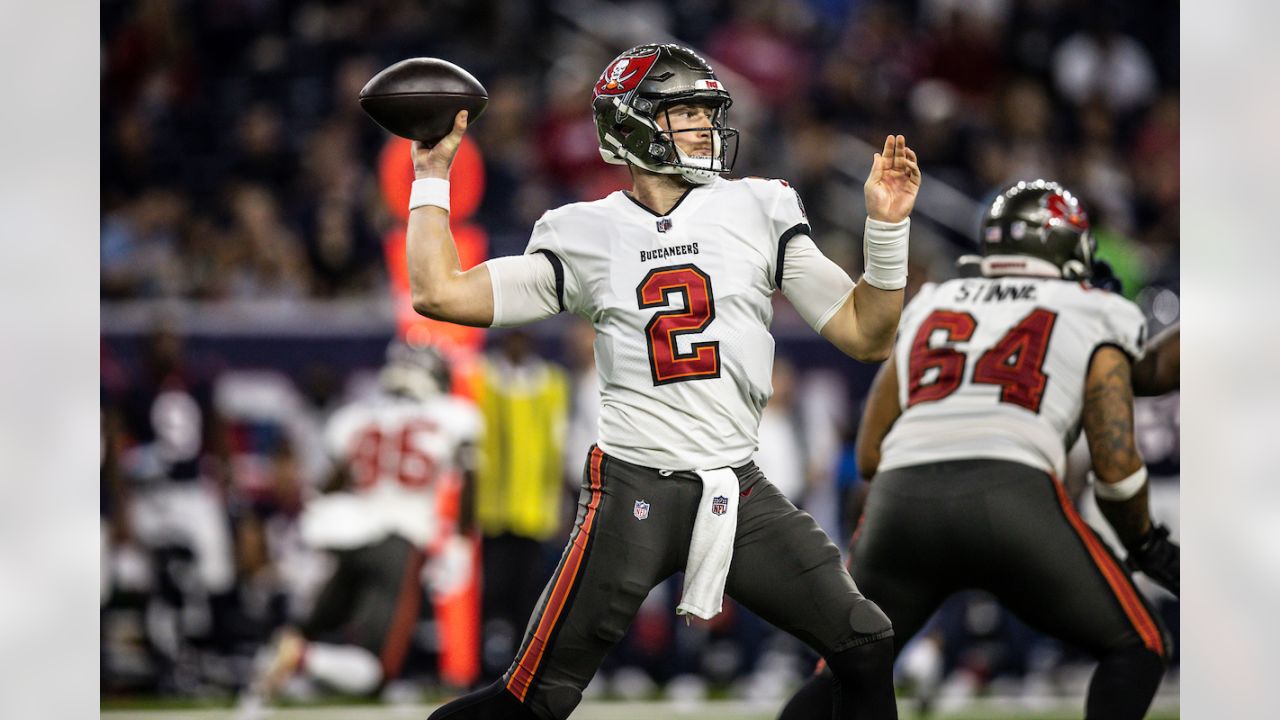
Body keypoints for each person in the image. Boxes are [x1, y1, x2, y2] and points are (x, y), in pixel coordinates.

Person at [406, 43, 920, 720]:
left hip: (739, 489)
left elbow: (867, 333)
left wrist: (887, 230)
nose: (705, 127)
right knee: (533, 701)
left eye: (708, 112)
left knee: (865, 643)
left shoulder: (757, 206)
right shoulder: (582, 231)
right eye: (685, 112)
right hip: (631, 493)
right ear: (629, 125)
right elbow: (441, 293)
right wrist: (433, 175)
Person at [777, 180, 1177, 720]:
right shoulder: (1094, 308)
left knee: (849, 670)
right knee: (1139, 644)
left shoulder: (935, 301)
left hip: (901, 503)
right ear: (1069, 248)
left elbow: (871, 454)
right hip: (1015, 499)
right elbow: (1116, 461)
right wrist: (1146, 543)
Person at [236, 341, 481, 717]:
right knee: (374, 670)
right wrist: (462, 543)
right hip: (398, 541)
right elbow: (468, 486)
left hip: (348, 535)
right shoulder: (453, 416)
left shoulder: (357, 417)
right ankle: (302, 660)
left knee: (314, 622)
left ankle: (255, 696)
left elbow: (330, 484)